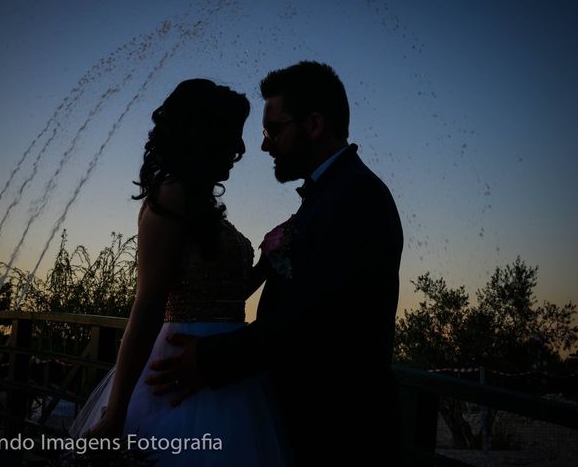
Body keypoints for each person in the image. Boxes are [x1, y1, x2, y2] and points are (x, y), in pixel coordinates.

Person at [146, 61, 404, 465]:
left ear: (314, 124)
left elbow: (314, 323)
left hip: (336, 432)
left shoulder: (356, 199)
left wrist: (210, 358)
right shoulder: (331, 196)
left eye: (273, 131)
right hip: (303, 421)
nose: (264, 145)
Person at [69, 78, 291, 466]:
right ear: (204, 135)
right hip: (181, 372)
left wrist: (269, 262)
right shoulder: (170, 196)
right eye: (232, 136)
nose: (240, 149)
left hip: (223, 366)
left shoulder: (200, 201)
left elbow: (224, 295)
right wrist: (115, 412)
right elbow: (148, 304)